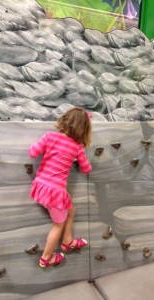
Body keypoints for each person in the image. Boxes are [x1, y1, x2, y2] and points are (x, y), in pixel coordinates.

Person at [29, 107, 92, 268]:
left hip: (41, 187)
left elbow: (33, 152)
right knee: (58, 224)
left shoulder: (50, 137)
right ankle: (46, 258)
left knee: (70, 209)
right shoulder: (77, 147)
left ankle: (67, 241)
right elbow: (86, 169)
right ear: (83, 130)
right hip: (55, 192)